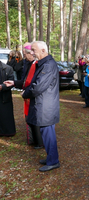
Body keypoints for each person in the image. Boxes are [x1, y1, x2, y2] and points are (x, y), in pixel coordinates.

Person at [5, 41, 60, 172]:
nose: (32, 53)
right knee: (46, 135)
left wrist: (25, 93)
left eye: (34, 50)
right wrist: (15, 83)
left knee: (48, 135)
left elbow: (37, 87)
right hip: (43, 105)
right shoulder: (43, 64)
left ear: (43, 50)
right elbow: (31, 82)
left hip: (45, 106)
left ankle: (53, 161)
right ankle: (51, 157)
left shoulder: (47, 65)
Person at [11, 43, 43, 148]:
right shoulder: (28, 63)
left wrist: (26, 92)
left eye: (25, 54)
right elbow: (24, 80)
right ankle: (33, 139)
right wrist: (14, 83)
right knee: (29, 118)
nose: (24, 56)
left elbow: (33, 83)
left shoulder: (36, 64)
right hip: (28, 94)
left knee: (35, 119)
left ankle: (39, 142)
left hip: (33, 95)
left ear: (31, 54)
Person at [0, 60, 16, 137]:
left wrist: (2, 87)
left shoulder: (8, 68)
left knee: (5, 115)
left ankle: (7, 132)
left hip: (4, 96)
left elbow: (11, 82)